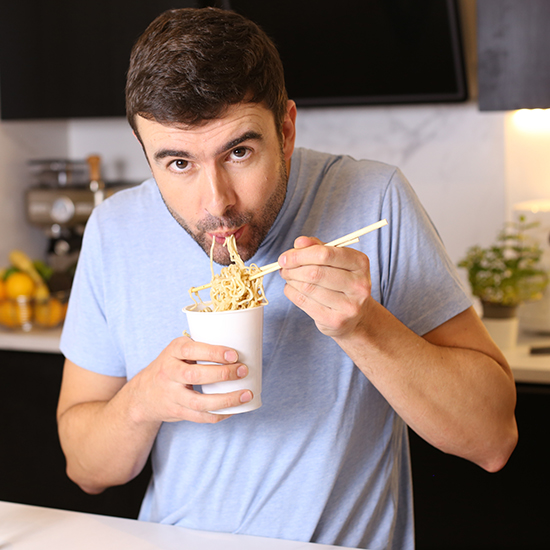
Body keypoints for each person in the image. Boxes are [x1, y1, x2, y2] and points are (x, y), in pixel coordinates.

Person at [56, 7, 518, 550]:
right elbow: (86, 469)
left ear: (287, 129)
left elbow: (492, 439)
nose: (217, 203)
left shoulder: (373, 197)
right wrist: (144, 399)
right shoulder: (116, 229)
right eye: (177, 163)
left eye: (240, 152)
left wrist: (364, 327)